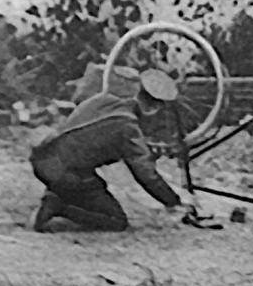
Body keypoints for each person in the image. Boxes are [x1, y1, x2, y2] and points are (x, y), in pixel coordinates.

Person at [28, 67, 192, 232]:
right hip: (68, 175)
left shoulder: (103, 100)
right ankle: (58, 208)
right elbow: (145, 173)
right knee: (116, 221)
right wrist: (172, 201)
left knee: (86, 183)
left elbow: (90, 137)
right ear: (154, 107)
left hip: (44, 160)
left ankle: (57, 195)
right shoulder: (127, 127)